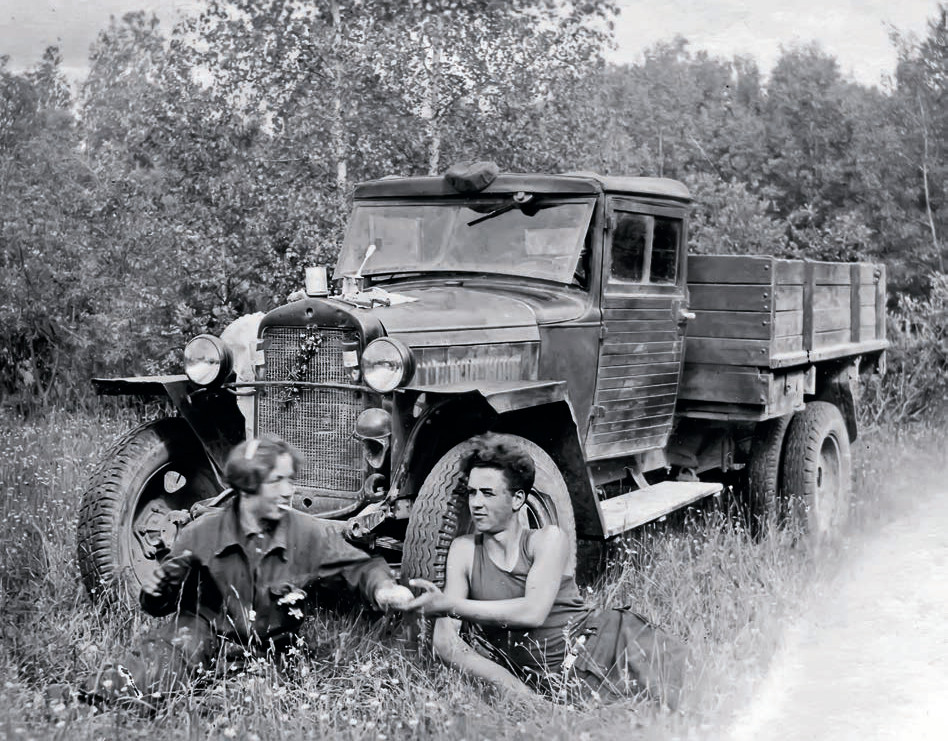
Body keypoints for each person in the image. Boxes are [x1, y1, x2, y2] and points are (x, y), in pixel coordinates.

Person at [84, 434, 413, 703]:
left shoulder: (306, 532)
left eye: (290, 480)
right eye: (276, 481)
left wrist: (384, 589)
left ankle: (221, 696)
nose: (289, 490)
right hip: (201, 635)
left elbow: (359, 566)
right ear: (247, 486)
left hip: (270, 649)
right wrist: (157, 591)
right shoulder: (201, 533)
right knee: (151, 667)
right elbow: (160, 603)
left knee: (244, 699)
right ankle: (98, 697)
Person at [399, 433, 687, 708]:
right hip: (554, 681)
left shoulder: (548, 539)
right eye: (472, 493)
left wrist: (450, 605)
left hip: (610, 647)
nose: (476, 503)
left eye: (487, 493)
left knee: (684, 704)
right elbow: (446, 644)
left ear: (517, 499)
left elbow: (532, 612)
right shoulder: (463, 550)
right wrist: (523, 696)